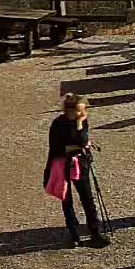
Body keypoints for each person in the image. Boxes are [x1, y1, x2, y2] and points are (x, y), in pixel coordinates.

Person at [44, 93, 109, 247]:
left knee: (87, 198)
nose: (82, 113)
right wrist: (77, 146)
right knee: (67, 200)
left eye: (83, 110)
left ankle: (95, 232)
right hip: (63, 164)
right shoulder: (58, 124)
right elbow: (57, 148)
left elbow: (82, 140)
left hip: (81, 163)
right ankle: (73, 233)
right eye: (79, 110)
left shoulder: (82, 120)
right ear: (68, 110)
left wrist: (80, 125)